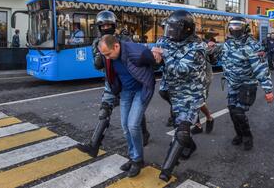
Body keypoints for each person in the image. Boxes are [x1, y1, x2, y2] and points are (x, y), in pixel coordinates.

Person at [82, 10, 150, 156]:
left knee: (134, 113)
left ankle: (143, 134)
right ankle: (94, 144)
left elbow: (134, 55)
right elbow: (97, 65)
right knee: (104, 110)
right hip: (111, 80)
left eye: (109, 25)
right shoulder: (97, 42)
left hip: (128, 80)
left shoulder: (124, 38)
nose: (106, 28)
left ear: (114, 25)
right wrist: (102, 54)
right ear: (99, 27)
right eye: (103, 26)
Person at [152, 10, 207, 182]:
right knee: (179, 126)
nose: (170, 33)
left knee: (181, 131)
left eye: (174, 29)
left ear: (187, 30)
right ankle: (190, 145)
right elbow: (154, 60)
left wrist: (164, 55)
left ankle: (166, 170)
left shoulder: (197, 48)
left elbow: (180, 70)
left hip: (191, 93)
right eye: (169, 29)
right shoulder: (165, 41)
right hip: (172, 93)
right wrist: (154, 58)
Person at [210, 17, 274, 151]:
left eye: (238, 26)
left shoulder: (253, 45)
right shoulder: (228, 43)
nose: (235, 29)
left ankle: (247, 136)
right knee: (232, 111)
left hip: (247, 84)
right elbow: (219, 59)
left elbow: (261, 68)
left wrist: (268, 90)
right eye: (232, 27)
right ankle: (239, 134)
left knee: (239, 112)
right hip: (233, 84)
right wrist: (211, 50)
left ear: (245, 28)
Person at [98, 34, 155, 177]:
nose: (107, 57)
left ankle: (138, 160)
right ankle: (132, 156)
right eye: (105, 55)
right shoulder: (109, 57)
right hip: (126, 91)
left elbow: (154, 61)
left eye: (109, 54)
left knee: (133, 125)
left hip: (141, 89)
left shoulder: (137, 52)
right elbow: (110, 76)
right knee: (125, 125)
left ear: (116, 46)